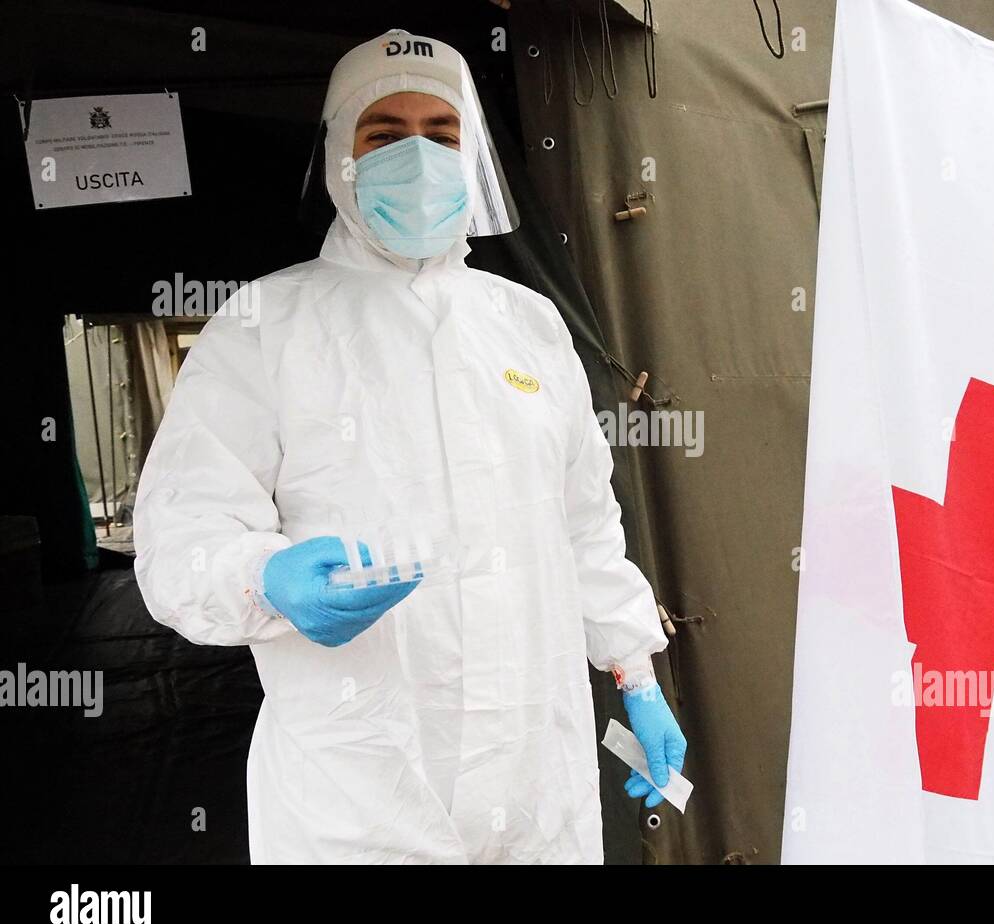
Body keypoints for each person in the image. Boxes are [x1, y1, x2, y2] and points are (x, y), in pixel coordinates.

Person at [133, 29, 685, 864]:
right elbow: (182, 537)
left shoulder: (527, 326)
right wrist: (264, 577)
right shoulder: (264, 326)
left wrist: (635, 671)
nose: (417, 157)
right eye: (384, 135)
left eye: (442, 132)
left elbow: (584, 528)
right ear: (340, 157)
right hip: (359, 793)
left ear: (472, 156)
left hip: (537, 782)